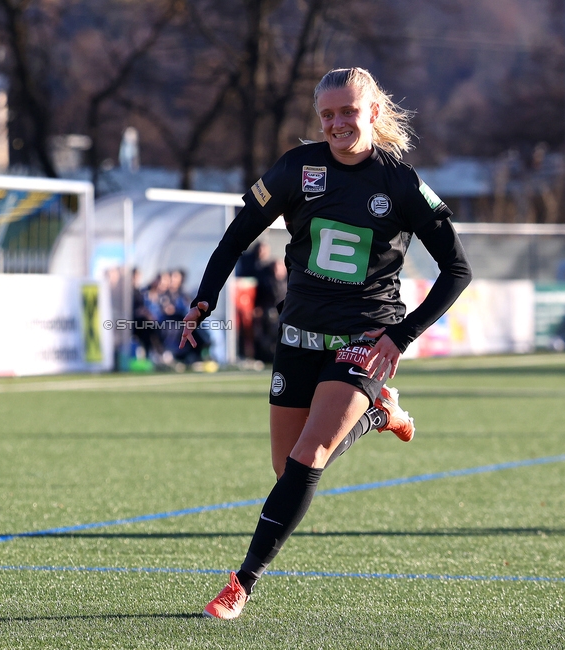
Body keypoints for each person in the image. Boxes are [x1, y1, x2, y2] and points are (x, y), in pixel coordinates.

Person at [180, 67, 472, 619]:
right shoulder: (298, 168)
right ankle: (378, 417)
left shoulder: (402, 183)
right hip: (300, 333)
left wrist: (401, 335)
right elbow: (237, 233)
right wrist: (205, 298)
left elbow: (457, 269)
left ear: (373, 114)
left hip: (364, 337)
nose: (338, 123)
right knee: (287, 469)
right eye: (327, 114)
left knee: (309, 455)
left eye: (348, 111)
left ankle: (241, 583)